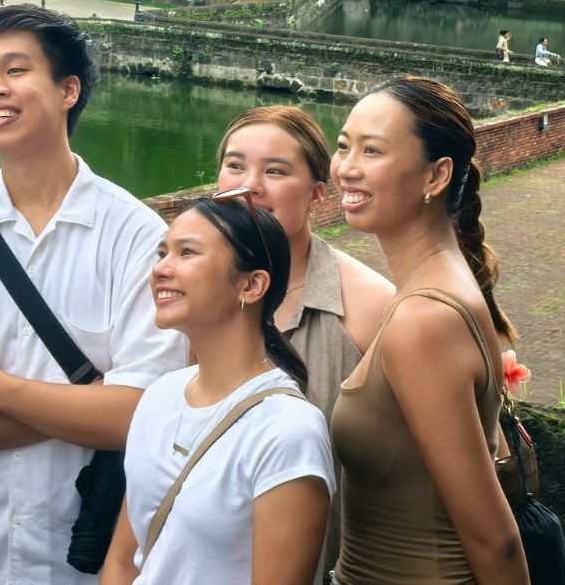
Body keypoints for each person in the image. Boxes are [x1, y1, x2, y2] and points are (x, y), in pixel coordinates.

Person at [0, 6, 181, 584]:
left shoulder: (135, 234)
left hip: (90, 562)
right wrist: (82, 410)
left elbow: (140, 413)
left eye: (15, 70)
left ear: (68, 89)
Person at [328, 75, 529, 584]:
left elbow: (495, 540)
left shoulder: (425, 318)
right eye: (343, 146)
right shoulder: (432, 289)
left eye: (372, 151)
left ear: (436, 176)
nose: (347, 168)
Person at [98, 194, 333, 584]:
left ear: (252, 284)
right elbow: (126, 559)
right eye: (162, 253)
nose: (159, 270)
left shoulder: (287, 432)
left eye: (187, 252)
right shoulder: (159, 396)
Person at [210, 106, 395, 572]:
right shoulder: (191, 293)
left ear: (317, 195)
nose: (249, 184)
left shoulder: (370, 306)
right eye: (235, 165)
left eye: (275, 171)